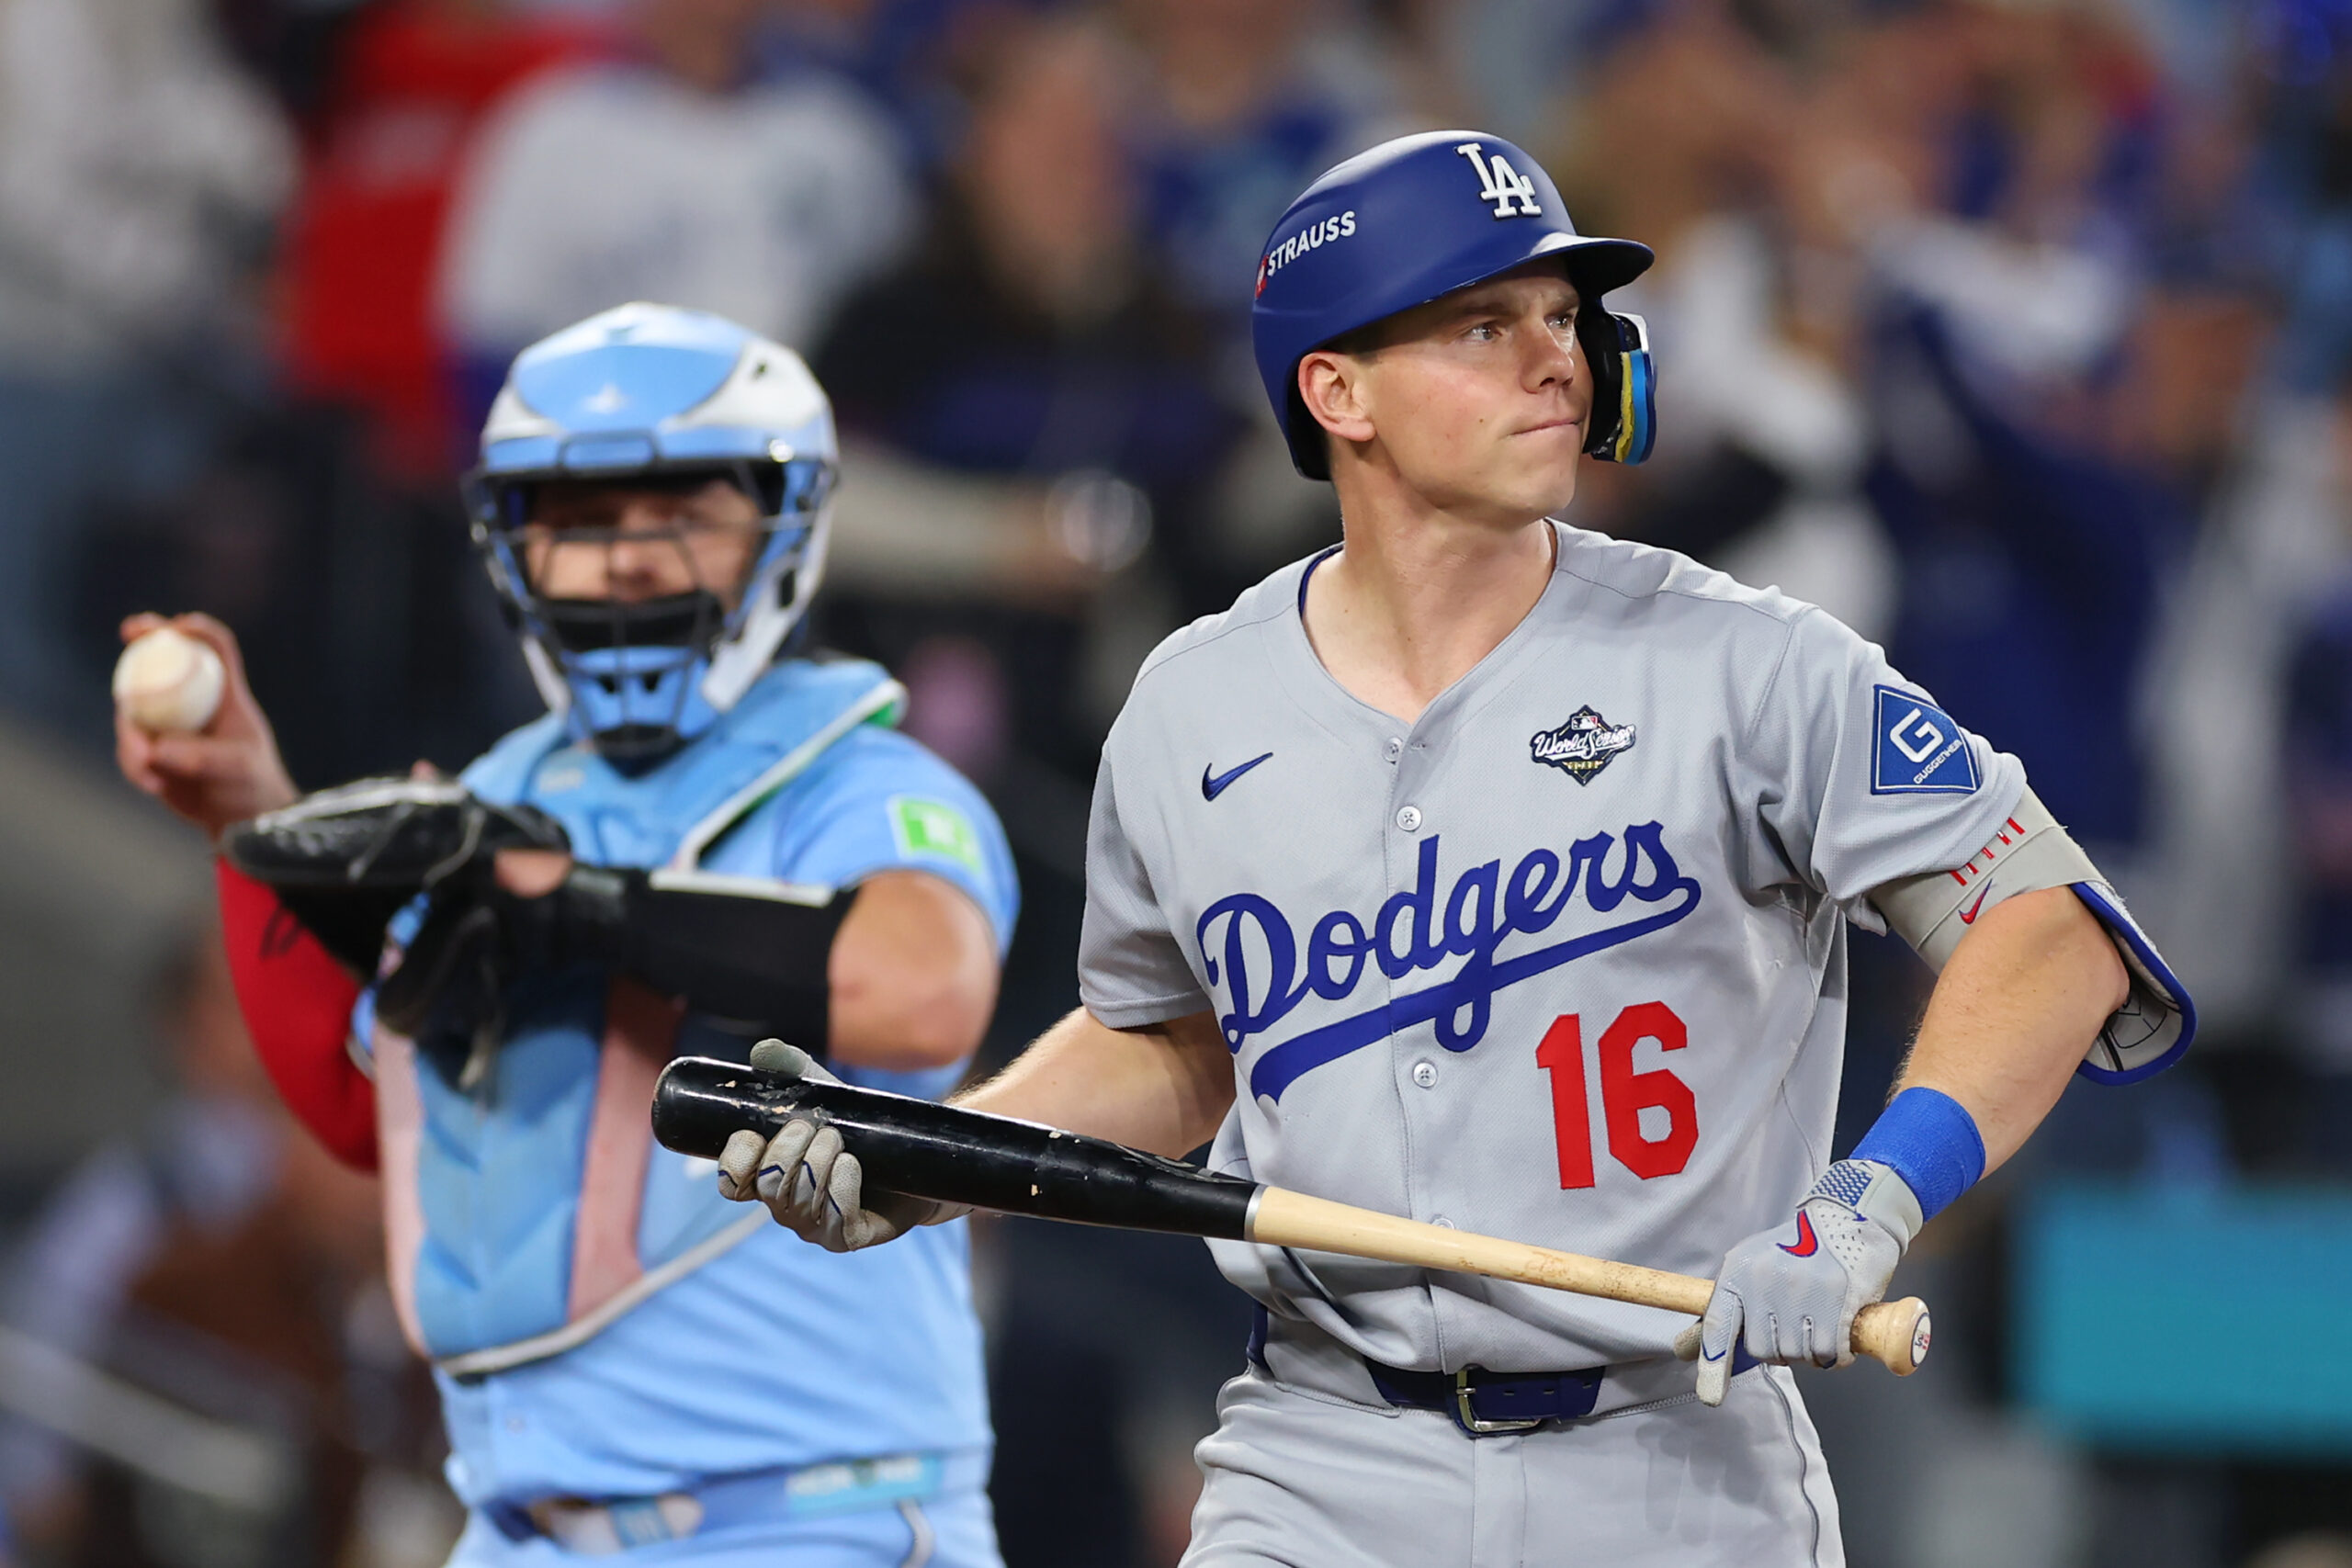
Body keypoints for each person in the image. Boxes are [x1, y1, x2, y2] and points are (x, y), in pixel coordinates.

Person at [716, 132, 2196, 1564]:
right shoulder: (1190, 704)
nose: (1557, 353)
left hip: (1679, 1469)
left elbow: (2049, 927)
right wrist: (936, 1160)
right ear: (1337, 390)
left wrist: (1874, 1199)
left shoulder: (1751, 665)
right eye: (1484, 325)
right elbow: (1172, 1045)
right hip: (1318, 1463)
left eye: (1562, 314)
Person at [114, 302, 1017, 1567]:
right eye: (581, 523)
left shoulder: (851, 785)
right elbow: (365, 1116)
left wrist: (576, 909)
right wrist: (255, 821)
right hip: (520, 1530)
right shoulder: (496, 802)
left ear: (785, 527)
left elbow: (923, 992)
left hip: (811, 1521)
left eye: (679, 516)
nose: (628, 562)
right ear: (509, 544)